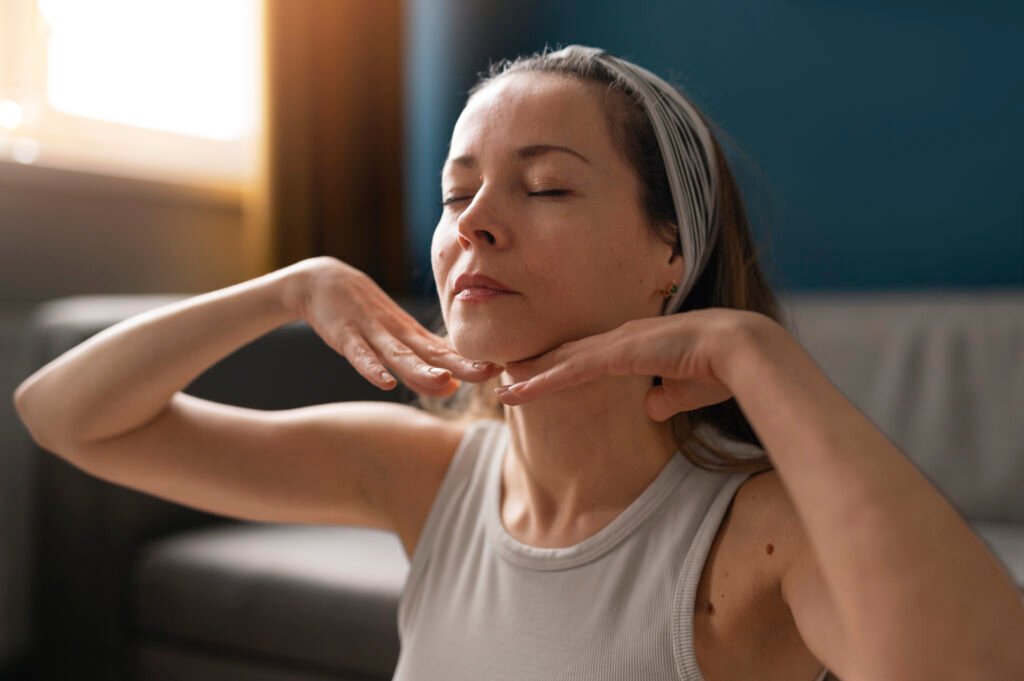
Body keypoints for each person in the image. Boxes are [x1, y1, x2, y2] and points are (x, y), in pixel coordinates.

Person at [13, 45, 1023, 681]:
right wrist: (286, 286)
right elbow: (64, 414)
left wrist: (759, 358)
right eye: (457, 195)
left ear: (670, 253)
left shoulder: (759, 533)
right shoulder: (427, 475)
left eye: (541, 186)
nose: (474, 224)